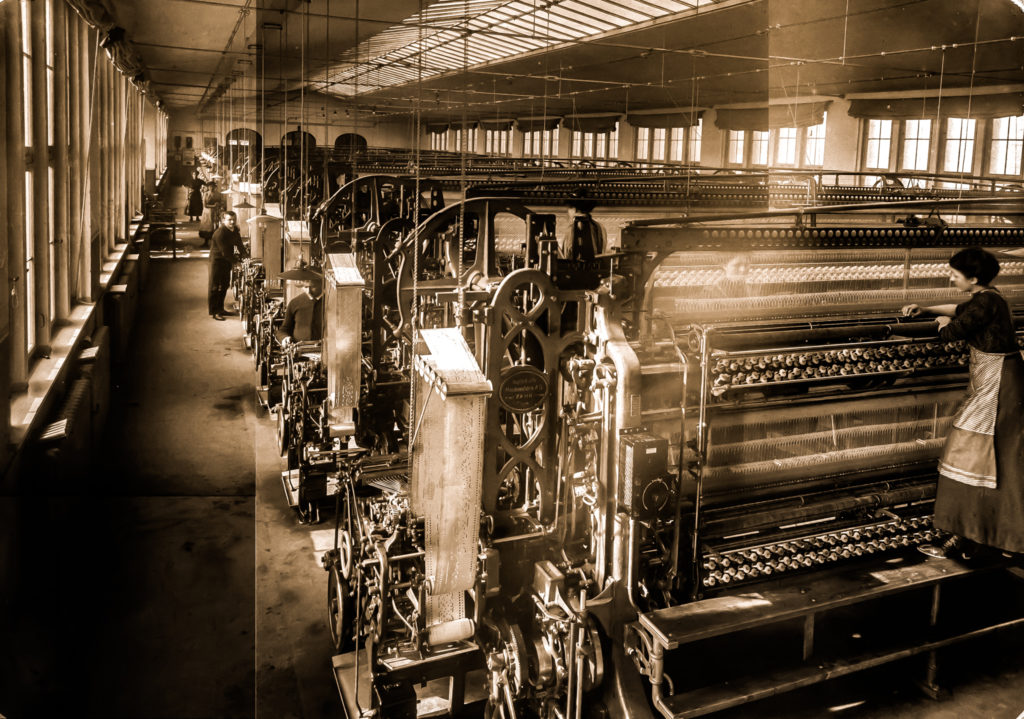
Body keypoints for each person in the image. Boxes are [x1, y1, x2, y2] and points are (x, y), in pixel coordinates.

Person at [902, 247, 1024, 558]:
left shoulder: (986, 302)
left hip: (996, 388)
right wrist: (928, 309)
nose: (950, 278)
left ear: (972, 278)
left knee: (970, 453)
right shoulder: (990, 297)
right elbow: (962, 309)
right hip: (998, 381)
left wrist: (941, 323)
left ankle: (972, 533)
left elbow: (953, 330)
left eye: (955, 275)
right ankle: (987, 535)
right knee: (991, 458)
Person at [208, 211, 248, 320]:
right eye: (229, 219)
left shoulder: (235, 230)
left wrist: (245, 256)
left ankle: (220, 308)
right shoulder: (220, 233)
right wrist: (237, 262)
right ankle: (214, 312)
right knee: (215, 286)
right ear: (223, 221)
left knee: (225, 285)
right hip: (217, 261)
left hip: (226, 261)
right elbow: (225, 252)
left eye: (234, 219)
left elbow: (239, 245)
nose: (232, 221)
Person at [277, 273, 324, 345]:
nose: (308, 291)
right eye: (305, 287)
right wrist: (284, 338)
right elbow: (283, 329)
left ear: (322, 284)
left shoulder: (330, 302)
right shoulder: (294, 303)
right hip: (299, 352)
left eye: (313, 287)